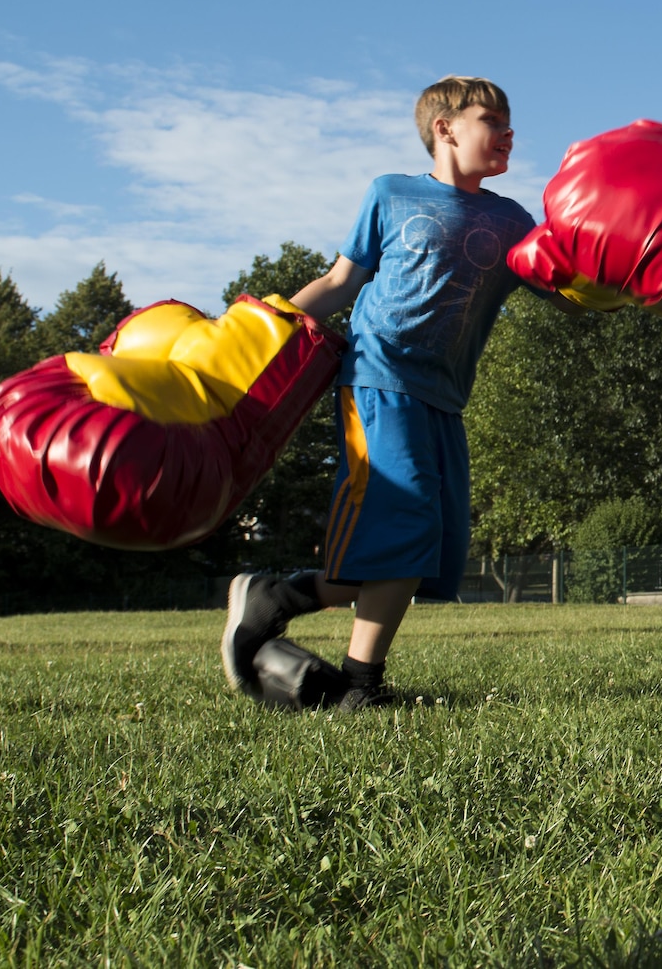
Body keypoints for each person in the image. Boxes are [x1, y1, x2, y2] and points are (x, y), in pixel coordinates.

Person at [220, 75, 579, 711]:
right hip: (377, 380)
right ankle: (362, 687)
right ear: (445, 129)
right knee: (405, 517)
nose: (508, 133)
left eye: (508, 123)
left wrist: (638, 272)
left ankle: (278, 599)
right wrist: (255, 334)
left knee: (420, 547)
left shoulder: (512, 220)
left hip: (445, 398)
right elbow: (337, 283)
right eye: (492, 120)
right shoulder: (390, 194)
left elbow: (570, 289)